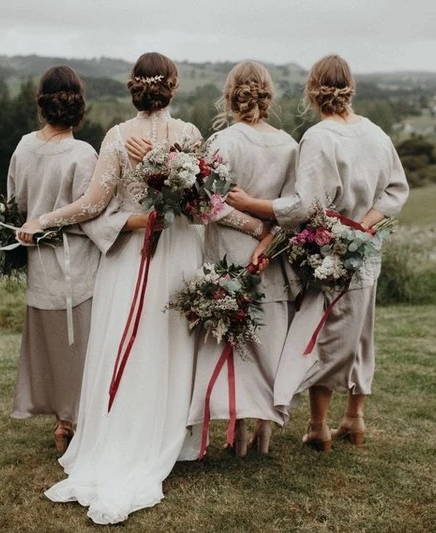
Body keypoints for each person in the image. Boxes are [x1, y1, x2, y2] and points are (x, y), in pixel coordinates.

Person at [18, 52, 203, 525]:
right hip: (172, 255)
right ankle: (164, 437)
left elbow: (92, 205)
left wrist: (44, 219)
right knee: (163, 346)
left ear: (132, 87)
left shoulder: (118, 137)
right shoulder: (189, 136)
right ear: (173, 86)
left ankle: (124, 437)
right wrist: (170, 168)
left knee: (134, 343)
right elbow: (201, 205)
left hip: (128, 261)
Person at [229, 54, 409, 450]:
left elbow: (303, 208)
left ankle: (319, 425)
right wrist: (366, 226)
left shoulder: (318, 138)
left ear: (312, 91)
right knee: (362, 334)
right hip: (367, 252)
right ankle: (354, 418)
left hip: (328, 253)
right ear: (351, 88)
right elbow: (397, 190)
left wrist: (252, 202)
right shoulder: (376, 133)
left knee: (320, 337)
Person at [184, 61, 298, 456]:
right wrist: (267, 235)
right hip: (273, 258)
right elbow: (293, 209)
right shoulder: (289, 145)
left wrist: (250, 230)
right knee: (269, 345)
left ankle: (240, 432)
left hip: (230, 258)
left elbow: (206, 207)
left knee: (234, 345)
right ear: (267, 95)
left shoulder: (222, 143)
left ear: (231, 94)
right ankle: (263, 431)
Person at [7, 65, 100, 454]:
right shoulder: (83, 154)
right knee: (80, 347)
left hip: (39, 265)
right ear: (78, 105)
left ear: (42, 102)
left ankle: (62, 421)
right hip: (76, 263)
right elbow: (90, 211)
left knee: (51, 348)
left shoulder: (23, 147)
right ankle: (73, 422)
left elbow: (16, 206)